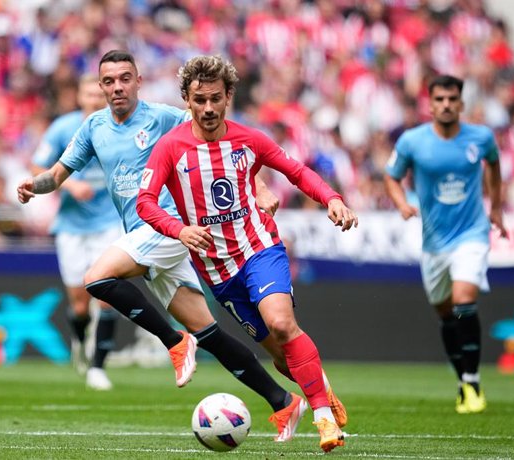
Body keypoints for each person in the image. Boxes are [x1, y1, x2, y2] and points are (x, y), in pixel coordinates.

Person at [17, 50, 328, 442]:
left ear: (138, 81)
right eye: (109, 81)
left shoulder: (163, 116)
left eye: (124, 78)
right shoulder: (93, 127)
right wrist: (34, 187)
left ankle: (174, 341)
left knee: (96, 279)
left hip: (169, 225)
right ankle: (283, 401)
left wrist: (258, 185)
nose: (117, 87)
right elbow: (58, 174)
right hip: (146, 234)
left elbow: (226, 144)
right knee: (210, 332)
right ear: (101, 86)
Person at [136, 55, 358, 453]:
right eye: (199, 99)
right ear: (186, 99)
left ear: (229, 96)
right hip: (219, 273)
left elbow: (296, 171)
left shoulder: (249, 139)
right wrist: (180, 229)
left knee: (282, 324)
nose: (208, 108)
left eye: (215, 99)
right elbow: (146, 203)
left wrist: (332, 198)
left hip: (259, 248)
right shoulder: (170, 148)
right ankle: (322, 387)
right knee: (280, 356)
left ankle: (323, 418)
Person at [383, 74, 508, 414]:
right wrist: (401, 203)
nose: (446, 105)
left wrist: (495, 207)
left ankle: (472, 380)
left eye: (452, 99)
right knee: (445, 312)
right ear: (430, 103)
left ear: (461, 103)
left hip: (472, 233)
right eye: (439, 99)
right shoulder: (412, 141)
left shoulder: (480, 137)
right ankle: (462, 381)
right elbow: (391, 176)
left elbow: (495, 165)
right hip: (434, 242)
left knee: (464, 298)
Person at [30, 73, 124, 390]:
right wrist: (70, 184)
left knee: (108, 295)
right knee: (80, 303)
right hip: (71, 226)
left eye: (100, 94)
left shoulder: (121, 126)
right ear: (80, 97)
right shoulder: (62, 128)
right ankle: (79, 337)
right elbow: (36, 167)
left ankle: (98, 366)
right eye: (89, 93)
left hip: (110, 221)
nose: (95, 99)